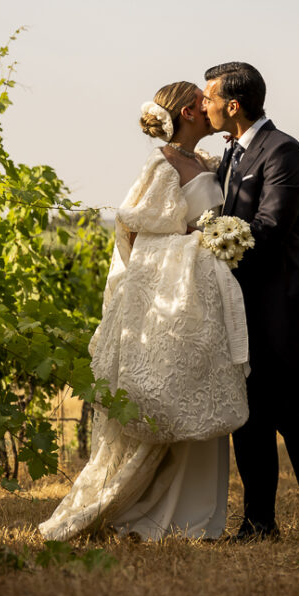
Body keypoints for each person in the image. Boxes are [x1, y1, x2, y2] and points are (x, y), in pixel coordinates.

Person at [38, 81, 249, 542]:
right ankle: (162, 517)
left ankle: (201, 517)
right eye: (203, 101)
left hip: (205, 301)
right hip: (178, 301)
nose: (209, 106)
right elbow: (136, 233)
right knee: (175, 399)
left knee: (203, 395)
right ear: (189, 111)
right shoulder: (163, 164)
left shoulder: (207, 162)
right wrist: (198, 242)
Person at [202, 62, 299, 539]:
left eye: (209, 98)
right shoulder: (231, 153)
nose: (204, 105)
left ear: (232, 106)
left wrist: (206, 242)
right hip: (236, 306)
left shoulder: (283, 151)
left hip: (276, 306)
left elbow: (271, 228)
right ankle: (259, 523)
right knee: (249, 417)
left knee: (292, 412)